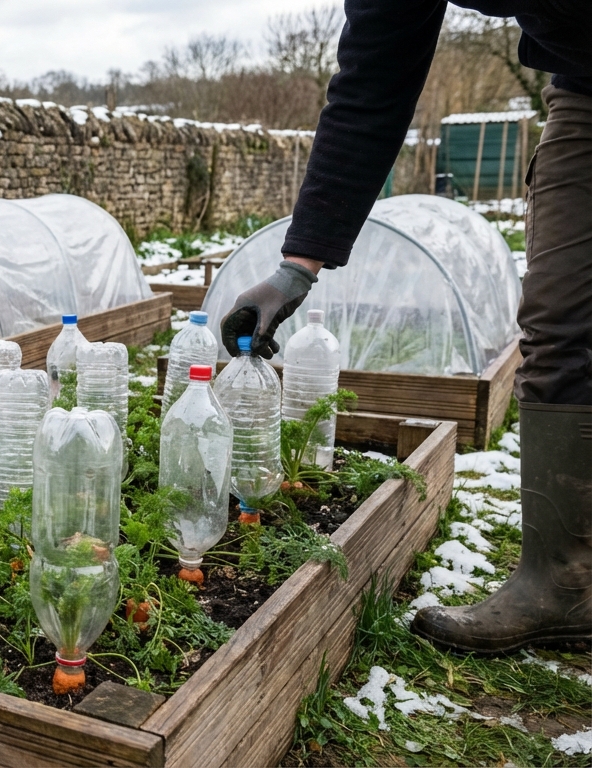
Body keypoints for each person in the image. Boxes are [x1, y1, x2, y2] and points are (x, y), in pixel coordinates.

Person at [220, 1, 592, 653]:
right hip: (585, 82)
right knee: (560, 323)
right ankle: (563, 585)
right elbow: (372, 83)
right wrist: (295, 270)